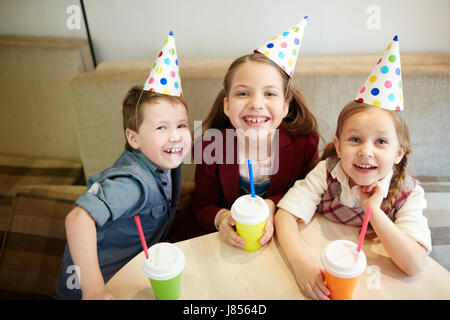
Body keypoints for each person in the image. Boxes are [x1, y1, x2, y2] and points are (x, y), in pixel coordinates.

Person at [275, 35, 431, 300]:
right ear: (338, 146)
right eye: (355, 139)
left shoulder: (408, 194)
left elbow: (414, 265)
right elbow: (285, 215)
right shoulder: (327, 173)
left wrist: (374, 211)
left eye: (381, 141)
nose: (365, 151)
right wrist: (300, 263)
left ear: (398, 153)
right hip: (321, 266)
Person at [54, 32, 192, 299]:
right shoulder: (132, 183)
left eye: (181, 125)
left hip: (132, 279)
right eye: (162, 127)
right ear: (134, 138)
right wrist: (93, 289)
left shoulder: (163, 163)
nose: (175, 135)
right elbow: (77, 219)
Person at [172, 17, 320, 249]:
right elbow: (201, 205)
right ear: (227, 106)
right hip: (227, 243)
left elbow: (311, 193)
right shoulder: (211, 146)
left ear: (285, 106)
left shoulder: (305, 144)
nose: (256, 104)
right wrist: (221, 218)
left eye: (270, 94)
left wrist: (273, 205)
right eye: (243, 93)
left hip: (282, 240)